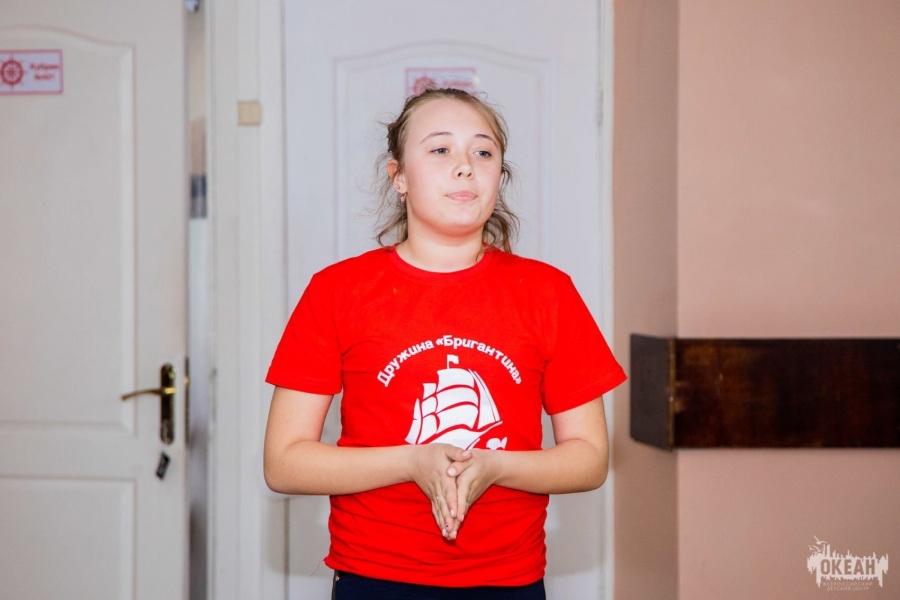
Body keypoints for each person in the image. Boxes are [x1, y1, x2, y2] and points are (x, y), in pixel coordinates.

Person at [263, 87, 626, 600]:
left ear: (499, 177)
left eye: (483, 152)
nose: (465, 166)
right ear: (399, 177)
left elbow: (589, 458)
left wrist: (496, 466)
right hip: (375, 577)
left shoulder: (549, 292)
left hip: (510, 580)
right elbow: (284, 462)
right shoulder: (336, 291)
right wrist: (412, 461)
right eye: (440, 149)